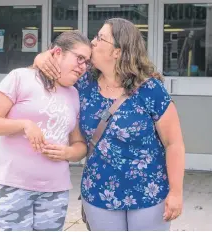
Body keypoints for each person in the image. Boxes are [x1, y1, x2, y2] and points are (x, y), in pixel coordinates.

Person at [33, 18, 185, 231]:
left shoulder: (151, 89)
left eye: (100, 38)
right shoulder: (83, 82)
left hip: (148, 193)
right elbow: (48, 70)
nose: (92, 42)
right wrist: (41, 58)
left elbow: (174, 144)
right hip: (99, 192)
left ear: (118, 51)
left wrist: (176, 193)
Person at [0, 31, 92, 231]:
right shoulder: (20, 77)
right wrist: (25, 125)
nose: (83, 67)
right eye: (79, 58)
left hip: (55, 189)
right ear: (57, 53)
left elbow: (79, 145)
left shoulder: (74, 93)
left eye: (87, 62)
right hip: (14, 184)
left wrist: (68, 153)